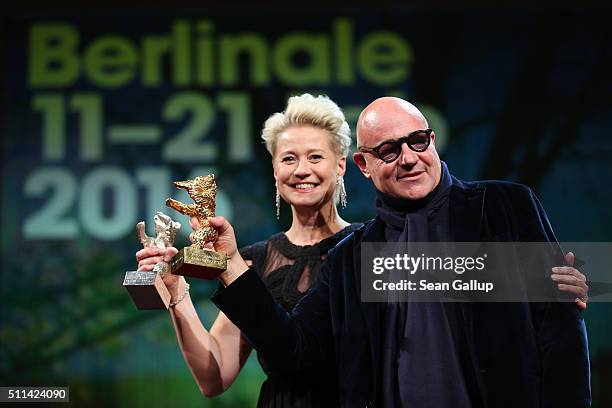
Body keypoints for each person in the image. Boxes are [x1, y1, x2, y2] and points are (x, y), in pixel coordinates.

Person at [205, 97, 591, 407]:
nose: (409, 158)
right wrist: (233, 264)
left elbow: (560, 334)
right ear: (363, 165)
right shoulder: (352, 257)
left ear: (432, 140)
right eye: (389, 150)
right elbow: (294, 347)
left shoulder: (505, 206)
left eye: (418, 141)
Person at [136, 94, 362, 407]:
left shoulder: (368, 248)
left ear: (340, 165)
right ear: (274, 170)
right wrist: (177, 291)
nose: (301, 170)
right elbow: (214, 376)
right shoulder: (251, 260)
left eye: (315, 157)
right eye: (288, 159)